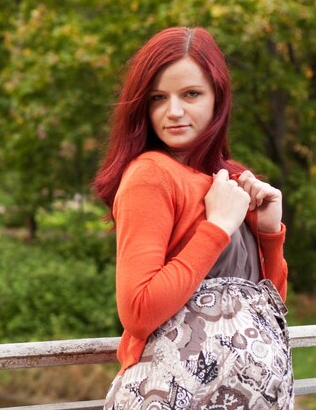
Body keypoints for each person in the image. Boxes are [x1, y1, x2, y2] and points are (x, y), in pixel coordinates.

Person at [93, 27, 293, 409]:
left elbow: (260, 314)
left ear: (218, 98)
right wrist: (216, 228)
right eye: (158, 98)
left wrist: (269, 231)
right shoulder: (151, 174)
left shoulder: (230, 181)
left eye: (191, 94)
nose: (173, 112)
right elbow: (138, 311)